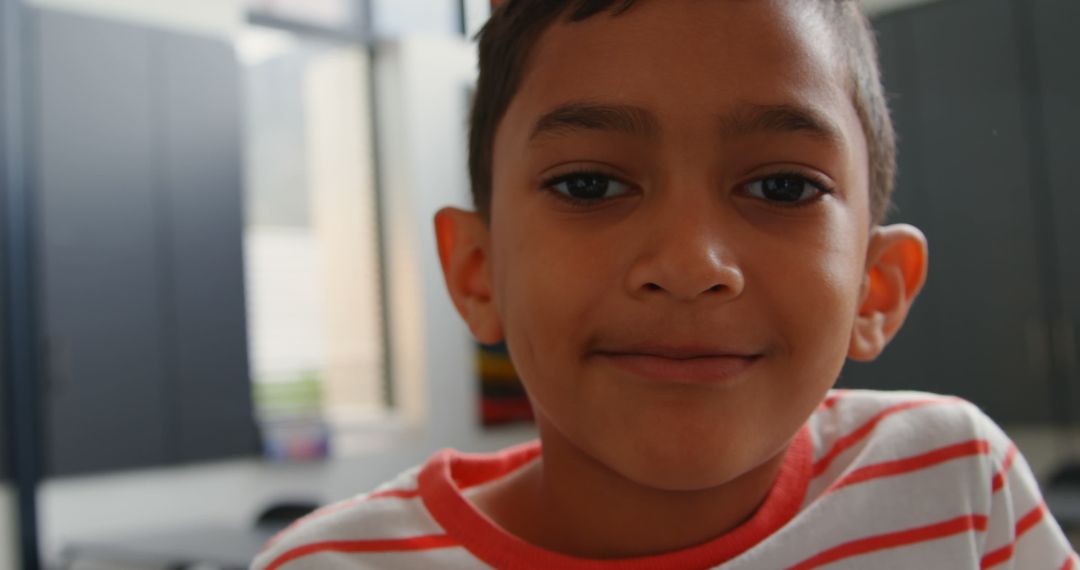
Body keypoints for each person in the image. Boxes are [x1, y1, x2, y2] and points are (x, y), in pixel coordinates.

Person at [251, 1, 1079, 568]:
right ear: (478, 272)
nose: (688, 264)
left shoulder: (956, 485)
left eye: (783, 187)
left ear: (876, 286)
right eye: (589, 185)